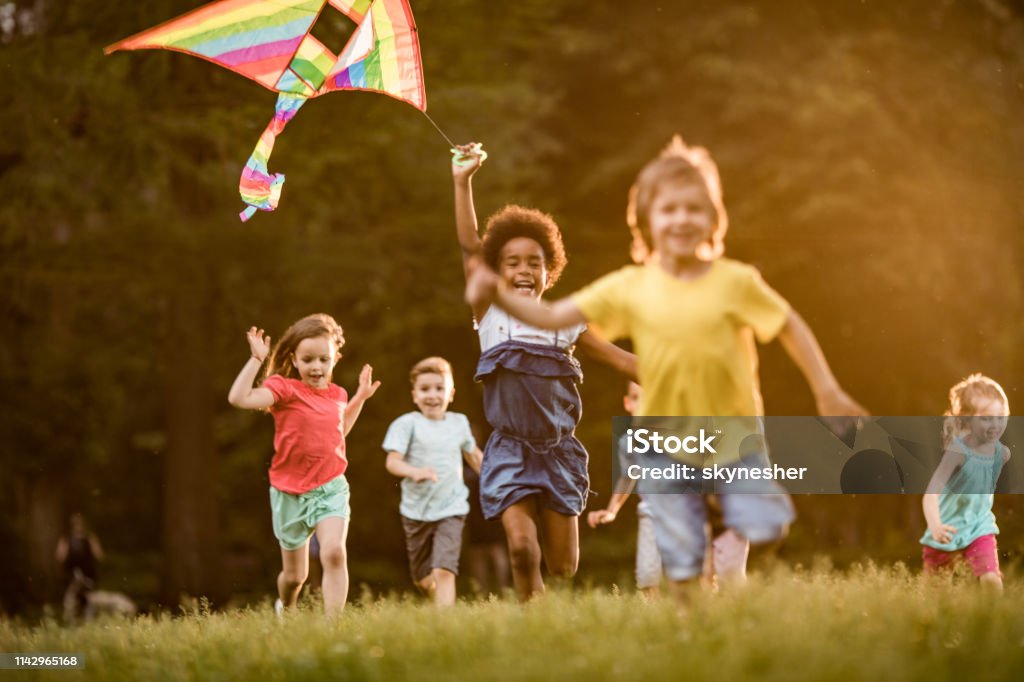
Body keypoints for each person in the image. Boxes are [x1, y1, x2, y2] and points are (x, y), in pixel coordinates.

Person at [466, 136, 867, 605]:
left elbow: (789, 326)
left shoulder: (737, 282)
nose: (681, 218)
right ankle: (689, 627)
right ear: (645, 223)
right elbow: (555, 317)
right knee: (681, 558)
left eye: (694, 208)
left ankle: (723, 529)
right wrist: (487, 281)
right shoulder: (630, 286)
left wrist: (826, 390)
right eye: (669, 209)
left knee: (765, 530)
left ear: (715, 219)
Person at [451, 143, 638, 602]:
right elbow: (469, 246)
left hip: (558, 452)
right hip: (511, 450)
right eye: (512, 262)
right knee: (520, 550)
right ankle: (531, 624)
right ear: (497, 270)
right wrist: (463, 181)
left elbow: (622, 361)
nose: (523, 270)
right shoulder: (490, 312)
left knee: (564, 566)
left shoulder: (565, 324)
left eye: (534, 262)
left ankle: (548, 607)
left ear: (548, 271)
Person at [228, 314, 380, 615]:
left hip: (330, 486)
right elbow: (239, 398)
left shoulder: (338, 394)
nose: (316, 367)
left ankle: (331, 627)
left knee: (334, 552)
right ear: (294, 360)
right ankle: (286, 606)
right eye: (308, 359)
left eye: (324, 359)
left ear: (336, 358)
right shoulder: (284, 390)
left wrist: (360, 398)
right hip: (289, 492)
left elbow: (338, 433)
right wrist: (256, 360)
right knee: (296, 577)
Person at [588, 382, 750, 596]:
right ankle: (653, 616)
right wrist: (611, 511)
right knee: (647, 575)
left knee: (704, 573)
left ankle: (706, 609)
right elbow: (629, 475)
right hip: (651, 510)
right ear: (627, 403)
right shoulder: (628, 443)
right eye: (637, 398)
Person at [382, 357, 483, 606]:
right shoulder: (407, 424)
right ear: (414, 394)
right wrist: (414, 471)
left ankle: (445, 625)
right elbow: (392, 462)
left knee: (445, 570)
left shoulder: (459, 423)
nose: (432, 395)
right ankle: (433, 595)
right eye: (425, 389)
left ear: (451, 393)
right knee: (424, 579)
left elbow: (475, 457)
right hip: (416, 512)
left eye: (439, 388)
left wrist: (500, 480)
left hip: (452, 508)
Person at [921, 374, 1010, 590]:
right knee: (934, 595)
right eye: (987, 417)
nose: (996, 424)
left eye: (1001, 416)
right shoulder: (957, 453)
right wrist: (935, 525)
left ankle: (993, 622)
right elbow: (930, 494)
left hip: (980, 528)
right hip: (946, 531)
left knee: (991, 582)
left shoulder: (1002, 453)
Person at [55, 512, 104, 623]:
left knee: (88, 599)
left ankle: (87, 621)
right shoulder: (67, 539)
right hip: (72, 574)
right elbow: (60, 556)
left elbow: (99, 555)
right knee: (71, 599)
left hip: (87, 574)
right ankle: (73, 621)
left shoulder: (89, 538)